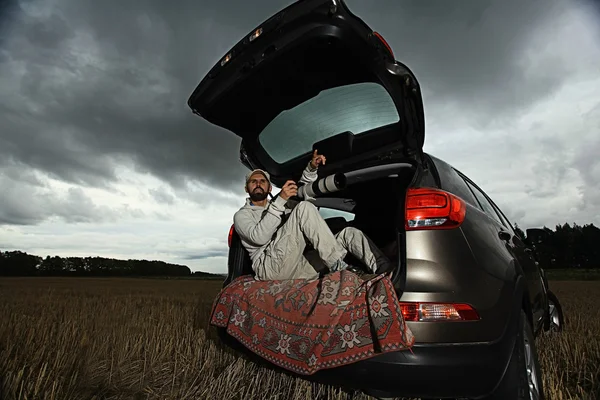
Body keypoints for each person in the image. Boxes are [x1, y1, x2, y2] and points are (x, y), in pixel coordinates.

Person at [233, 150, 393, 281]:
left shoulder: (279, 205)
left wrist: (311, 169)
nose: (258, 184)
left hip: (297, 267)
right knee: (303, 208)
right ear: (247, 189)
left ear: (269, 189)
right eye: (253, 182)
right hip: (270, 270)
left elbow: (301, 192)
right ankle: (339, 267)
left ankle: (386, 271)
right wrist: (280, 200)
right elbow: (259, 237)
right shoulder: (242, 216)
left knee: (348, 234)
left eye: (262, 181)